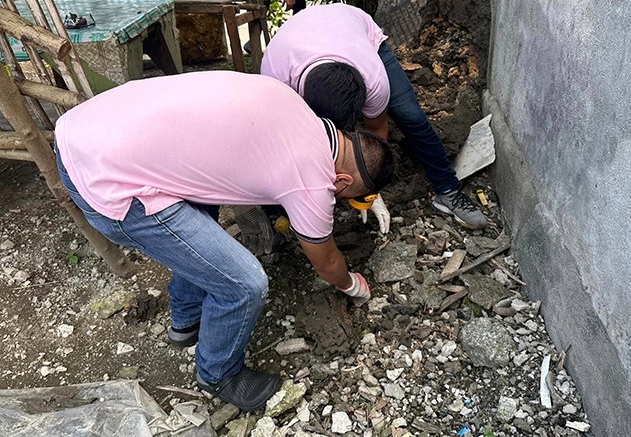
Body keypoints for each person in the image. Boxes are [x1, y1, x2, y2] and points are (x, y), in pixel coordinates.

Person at [53, 71, 393, 411]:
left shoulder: (293, 104)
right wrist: (352, 285)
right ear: (342, 179)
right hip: (106, 181)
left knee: (206, 211)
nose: (337, 199)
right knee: (245, 284)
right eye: (346, 195)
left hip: (87, 127)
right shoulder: (312, 179)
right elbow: (327, 262)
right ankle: (218, 374)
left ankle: (187, 320)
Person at [261, 3, 488, 232]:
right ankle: (275, 204)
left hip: (356, 29)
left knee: (411, 116)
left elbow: (377, 132)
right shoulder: (276, 80)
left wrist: (370, 189)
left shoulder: (374, 79)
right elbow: (281, 142)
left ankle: (448, 190)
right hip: (297, 39)